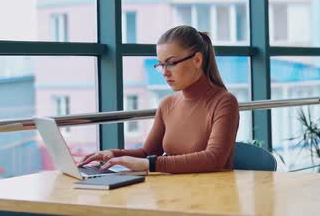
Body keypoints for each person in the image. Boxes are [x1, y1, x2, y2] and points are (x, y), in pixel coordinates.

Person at [79, 25, 240, 174]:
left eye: (171, 63)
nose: (164, 72)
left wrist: (151, 164)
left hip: (212, 196)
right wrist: (113, 155)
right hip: (172, 194)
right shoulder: (167, 104)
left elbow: (214, 159)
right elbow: (148, 153)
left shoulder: (224, 102)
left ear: (197, 60)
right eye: (160, 65)